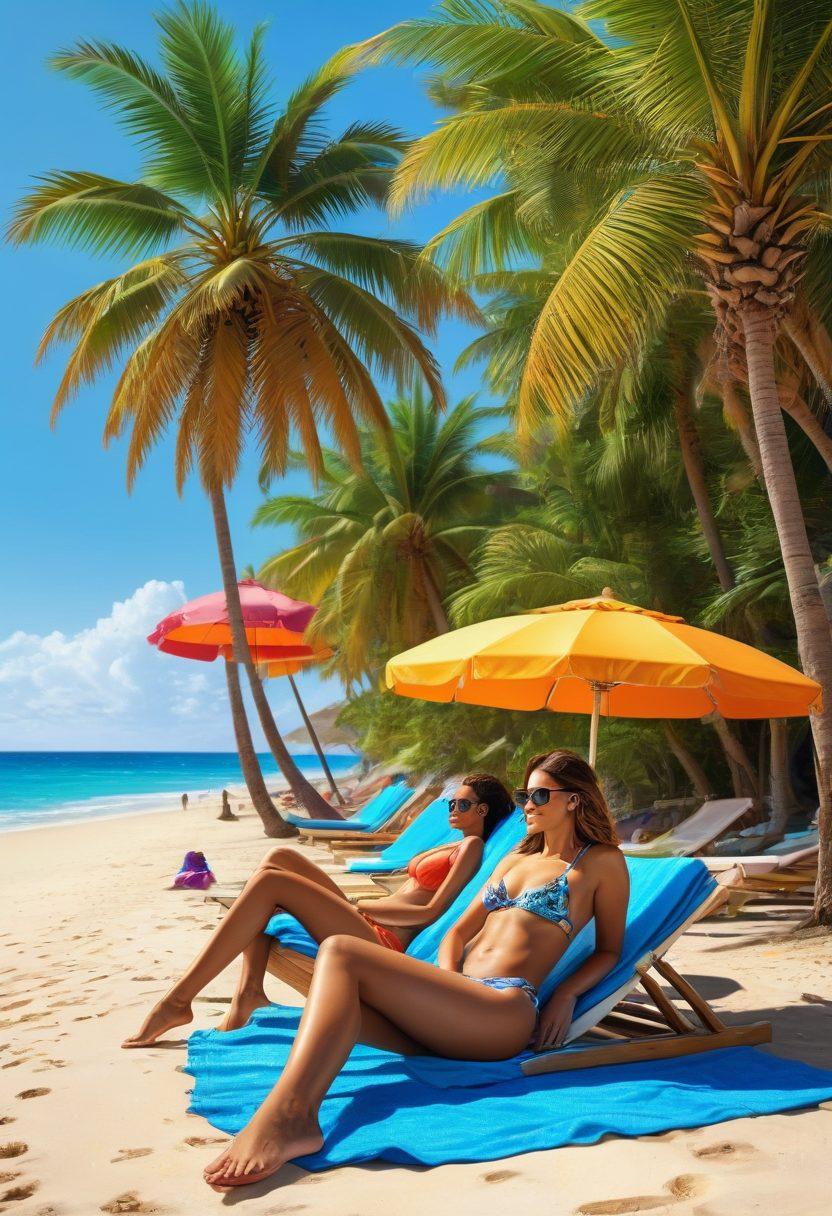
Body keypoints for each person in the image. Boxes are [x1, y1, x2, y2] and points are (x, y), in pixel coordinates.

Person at [128, 752, 630, 1191]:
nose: (527, 803)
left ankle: (292, 1117)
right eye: (525, 793)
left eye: (539, 793)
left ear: (574, 799)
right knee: (334, 966)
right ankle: (281, 1089)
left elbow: (609, 950)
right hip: (454, 1006)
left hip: (503, 1010)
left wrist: (564, 996)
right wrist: (450, 976)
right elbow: (455, 932)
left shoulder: (602, 863)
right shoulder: (514, 861)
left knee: (342, 951)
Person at [124, 773, 514, 1040]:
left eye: (460, 802)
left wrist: (367, 907)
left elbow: (434, 912)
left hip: (380, 938)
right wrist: (365, 905)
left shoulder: (473, 846)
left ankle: (177, 1002)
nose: (451, 806)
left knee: (270, 884)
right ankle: (248, 995)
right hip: (370, 916)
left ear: (482, 810)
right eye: (450, 799)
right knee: (280, 857)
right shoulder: (453, 841)